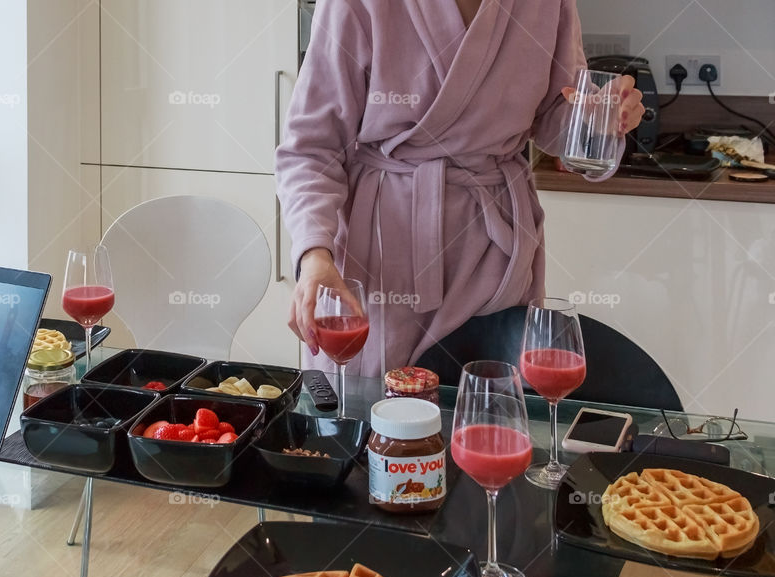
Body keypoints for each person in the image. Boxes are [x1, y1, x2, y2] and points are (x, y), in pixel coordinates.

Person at [276, 0, 644, 376]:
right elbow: (312, 147)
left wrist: (599, 118)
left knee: (489, 407)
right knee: (379, 419)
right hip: (386, 252)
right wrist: (314, 257)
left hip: (493, 249)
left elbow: (555, 112)